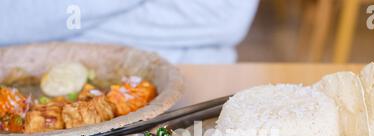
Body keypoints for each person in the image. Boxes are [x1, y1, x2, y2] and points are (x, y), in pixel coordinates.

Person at [0, 0, 259, 63]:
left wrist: (64, 30)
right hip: (32, 84)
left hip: (193, 81)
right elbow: (8, 21)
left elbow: (223, 16)